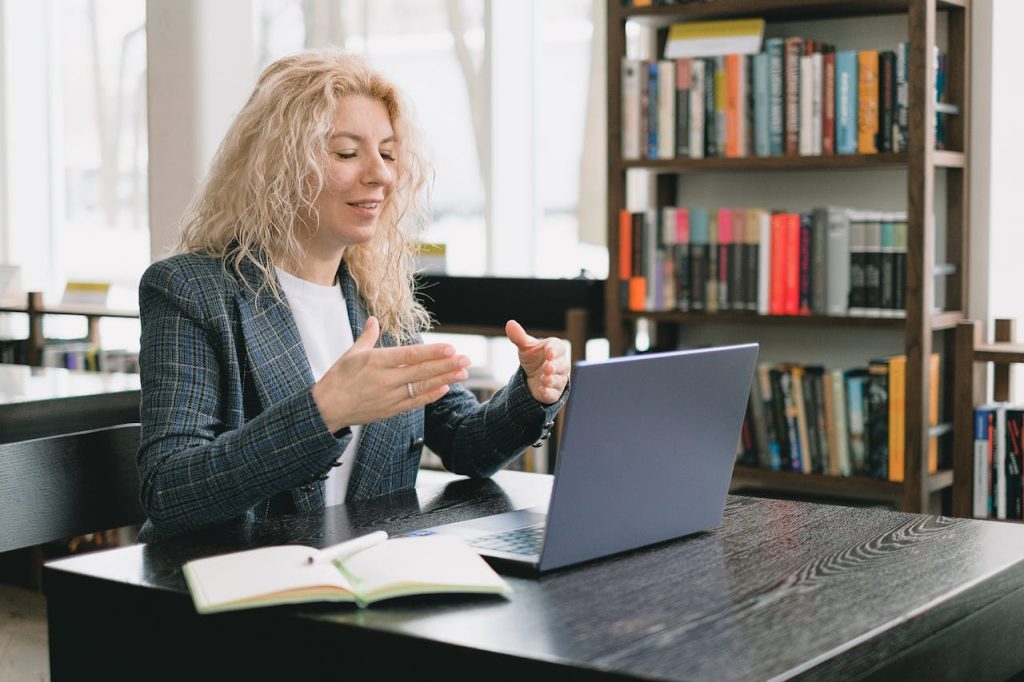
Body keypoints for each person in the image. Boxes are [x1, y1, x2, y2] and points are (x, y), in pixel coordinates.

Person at [136, 49, 570, 542]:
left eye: (387, 153)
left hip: (365, 582)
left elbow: (466, 442)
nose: (381, 175)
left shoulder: (377, 296)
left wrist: (532, 392)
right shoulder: (188, 290)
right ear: (279, 165)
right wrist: (325, 411)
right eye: (347, 153)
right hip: (234, 588)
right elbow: (170, 489)